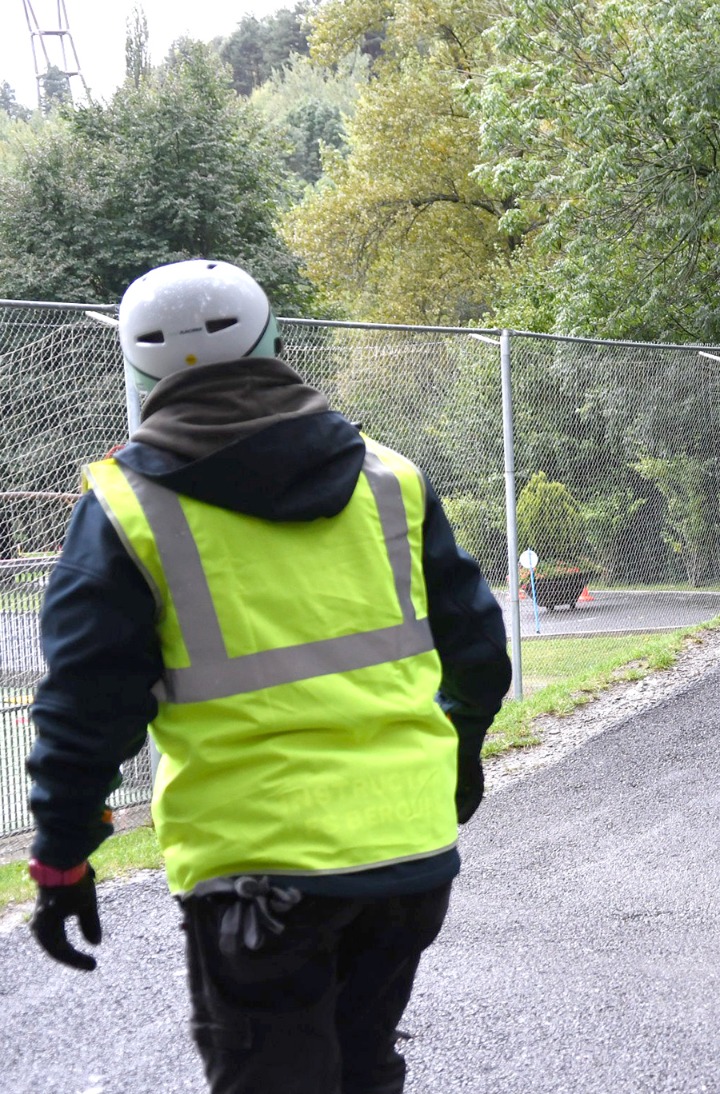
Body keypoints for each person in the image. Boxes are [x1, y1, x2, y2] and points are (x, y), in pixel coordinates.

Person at [25, 259, 513, 1093]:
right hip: (409, 855)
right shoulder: (389, 480)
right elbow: (480, 656)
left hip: (256, 873)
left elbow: (85, 707)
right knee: (364, 1069)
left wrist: (62, 859)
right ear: (272, 345)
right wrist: (452, 762)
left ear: (138, 376)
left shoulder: (127, 510)